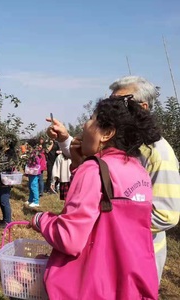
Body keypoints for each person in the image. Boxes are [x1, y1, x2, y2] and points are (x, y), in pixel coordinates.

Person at [47, 75, 180, 282]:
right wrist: (66, 141)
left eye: (121, 102)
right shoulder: (118, 146)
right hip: (107, 250)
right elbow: (93, 168)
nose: (113, 107)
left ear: (142, 107)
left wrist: (105, 223)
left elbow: (166, 215)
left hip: (139, 252)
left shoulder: (158, 151)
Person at [31, 96, 160, 299]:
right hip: (127, 286)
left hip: (91, 288)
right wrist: (79, 166)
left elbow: (70, 239)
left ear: (107, 133)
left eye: (91, 119)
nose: (85, 124)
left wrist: (41, 219)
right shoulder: (139, 171)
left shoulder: (93, 170)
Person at [0, 137, 19, 228]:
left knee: (4, 200)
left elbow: (10, 165)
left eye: (4, 140)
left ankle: (7, 222)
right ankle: (4, 219)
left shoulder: (11, 153)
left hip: (6, 179)